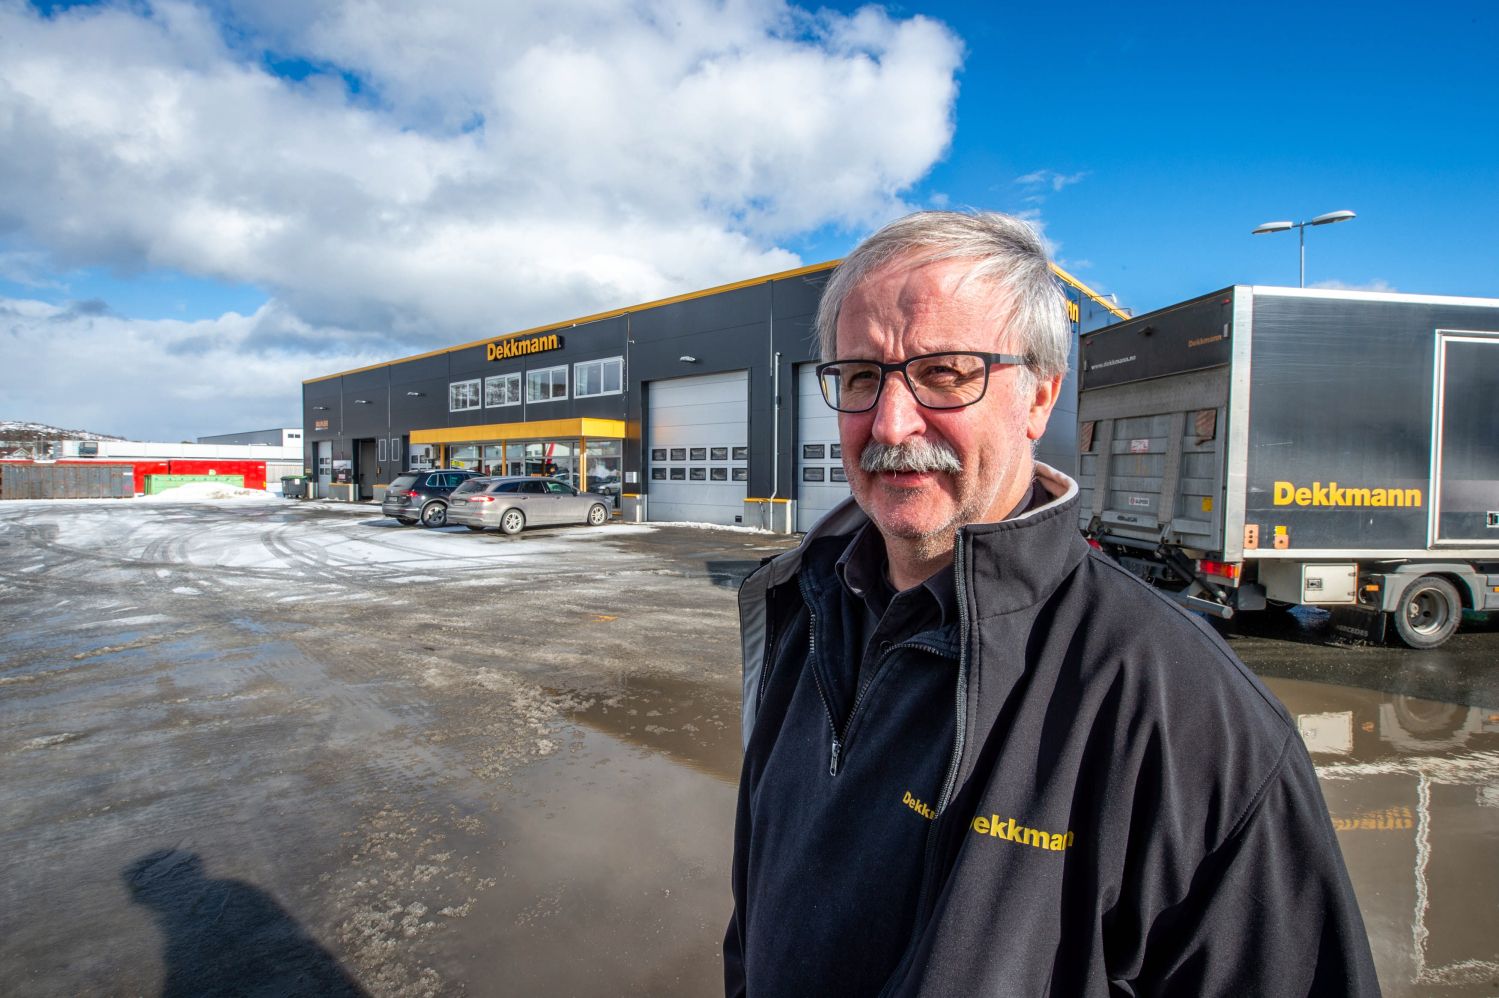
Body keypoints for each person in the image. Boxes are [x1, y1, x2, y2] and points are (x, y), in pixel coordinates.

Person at [724, 210, 1378, 996]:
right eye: (862, 376)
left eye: (945, 372)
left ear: (1038, 396)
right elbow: (757, 914)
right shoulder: (800, 616)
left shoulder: (1184, 712)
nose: (890, 422)